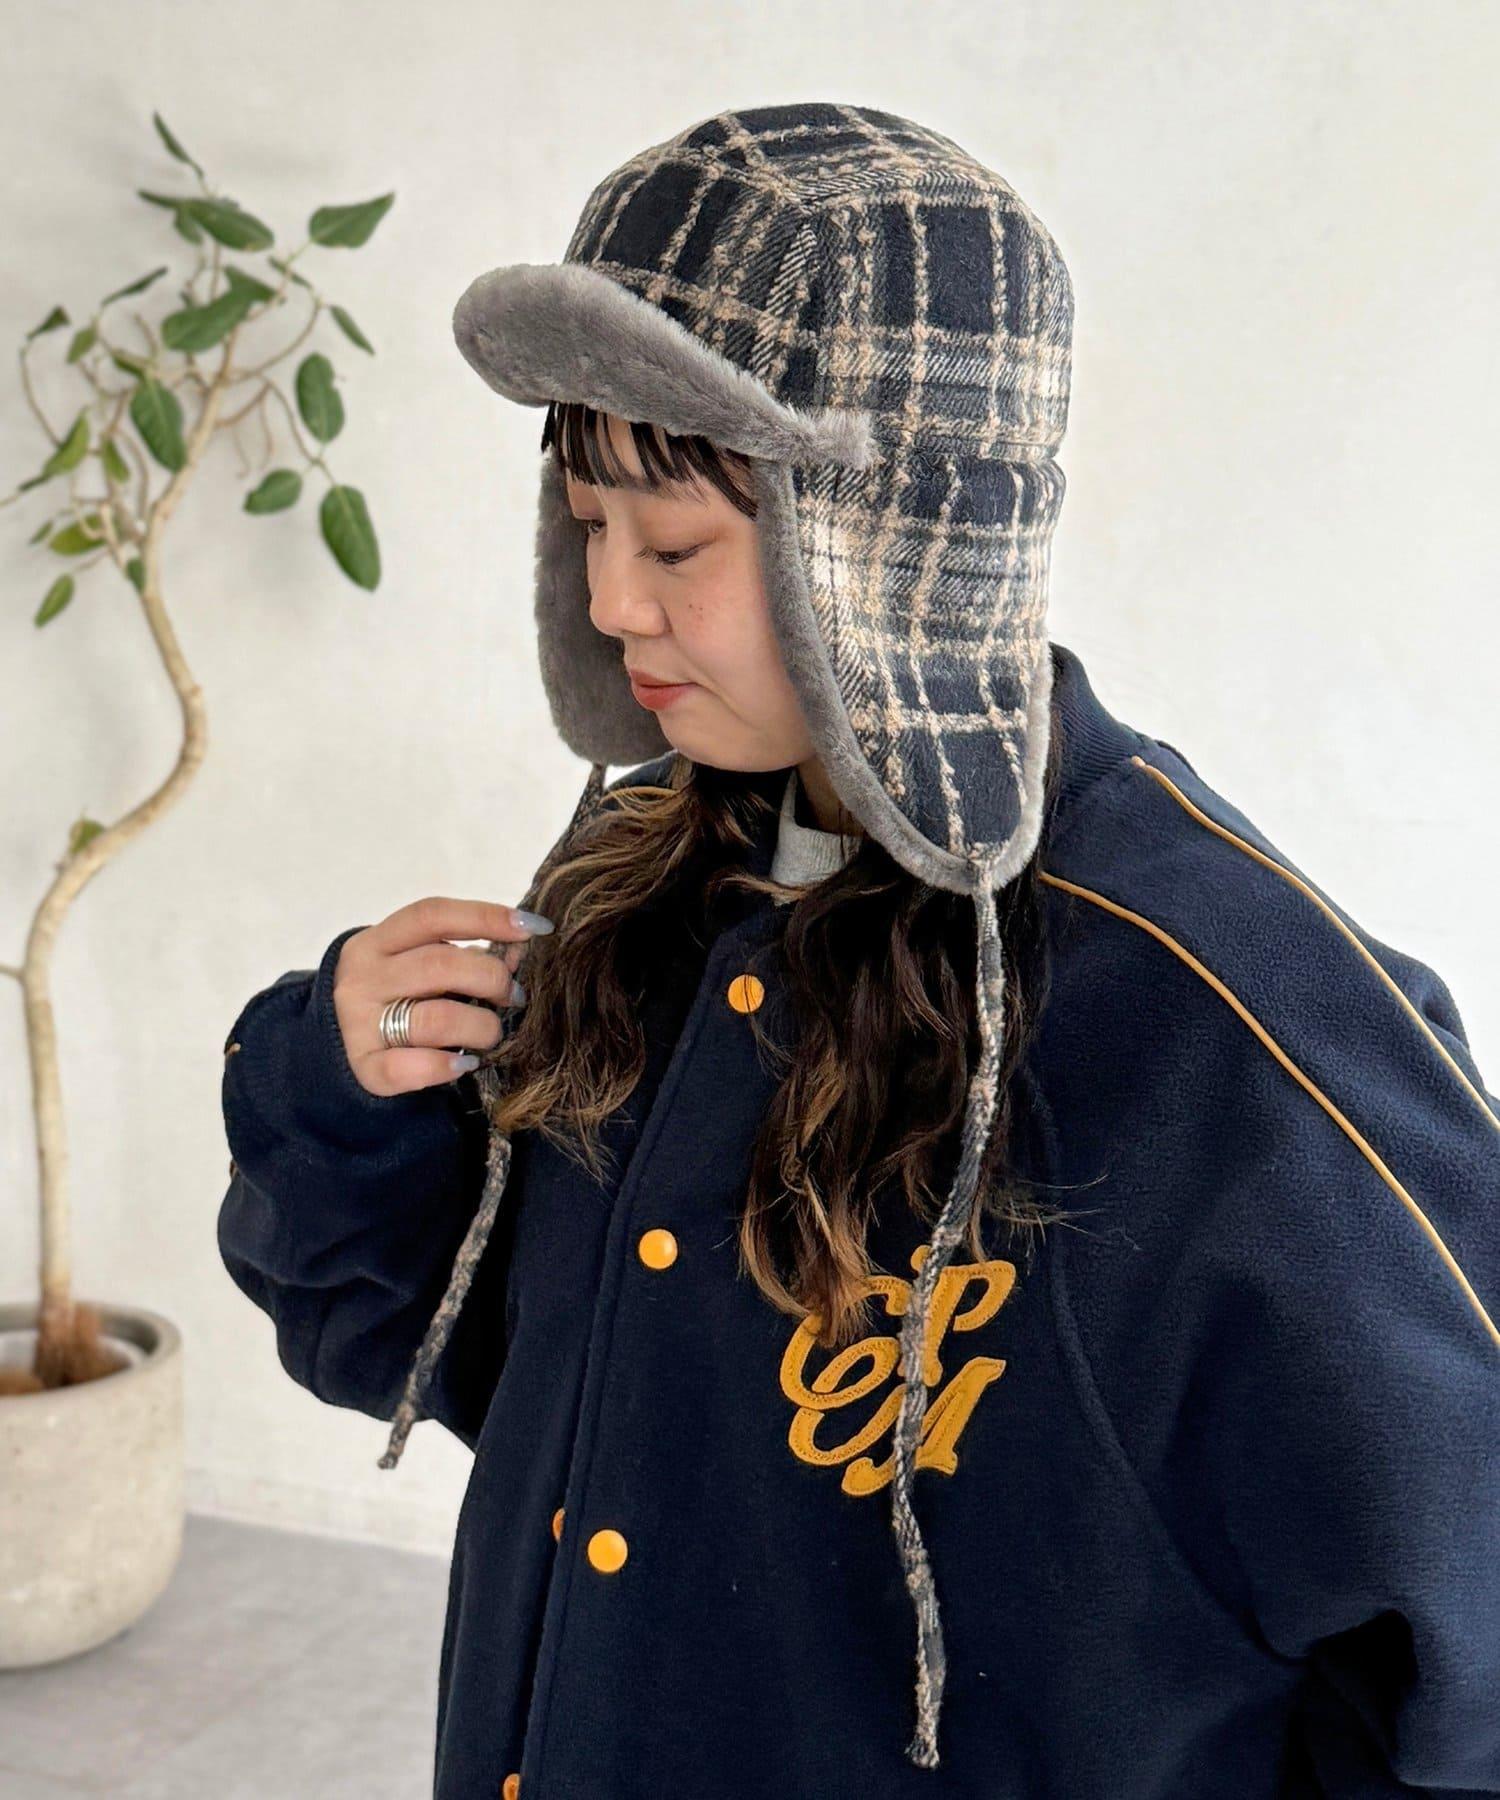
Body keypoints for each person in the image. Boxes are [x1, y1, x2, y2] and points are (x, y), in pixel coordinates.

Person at [218, 102, 1500, 1799]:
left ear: (901, 539)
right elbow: (460, 1371)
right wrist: (344, 1092)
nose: (612, 602)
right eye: (587, 523)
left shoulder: (1224, 1022)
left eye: (676, 544)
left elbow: (1462, 1626)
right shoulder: (636, 886)